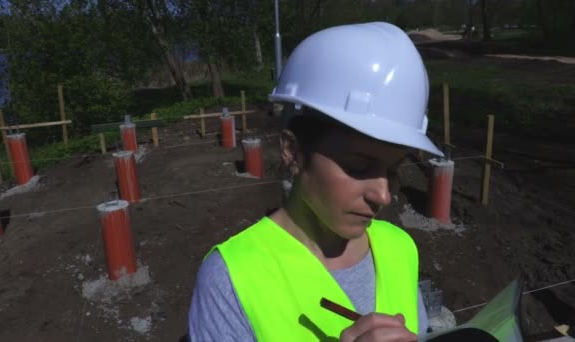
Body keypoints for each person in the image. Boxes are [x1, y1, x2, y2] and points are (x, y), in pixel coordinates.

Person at [188, 22, 444, 342]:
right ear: (293, 151)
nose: (383, 195)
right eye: (358, 167)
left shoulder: (400, 248)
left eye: (393, 170)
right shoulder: (232, 279)